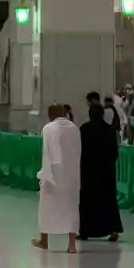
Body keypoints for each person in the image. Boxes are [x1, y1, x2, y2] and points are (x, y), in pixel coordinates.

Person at [33, 103, 81, 254]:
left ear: (50, 115)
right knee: (71, 208)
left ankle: (44, 240)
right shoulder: (74, 128)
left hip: (53, 174)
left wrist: (44, 174)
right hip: (72, 175)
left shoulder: (48, 129)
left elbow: (48, 153)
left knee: (46, 207)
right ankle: (72, 245)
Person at [79, 103, 123, 242]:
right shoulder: (110, 131)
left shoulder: (84, 129)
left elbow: (78, 151)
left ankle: (85, 230)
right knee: (108, 201)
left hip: (88, 172)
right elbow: (114, 153)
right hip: (106, 173)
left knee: (88, 201)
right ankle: (113, 230)